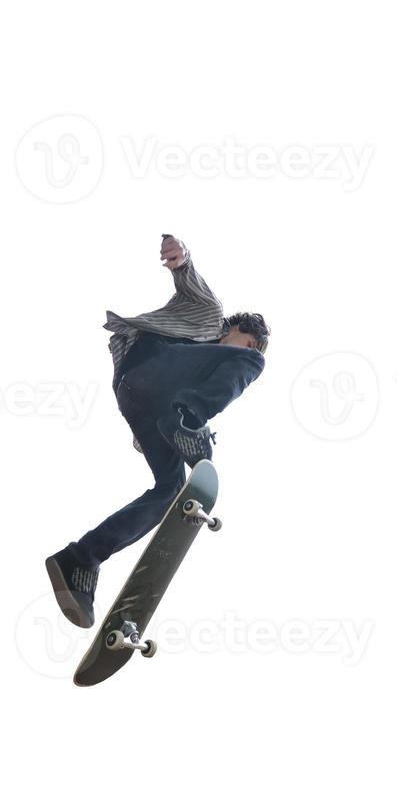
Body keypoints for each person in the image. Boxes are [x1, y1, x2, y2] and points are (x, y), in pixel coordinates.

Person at [45, 234, 270, 628]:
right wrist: (181, 258)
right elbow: (190, 280)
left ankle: (81, 560)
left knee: (171, 489)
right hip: (151, 368)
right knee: (239, 374)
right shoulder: (210, 316)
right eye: (246, 341)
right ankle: (189, 420)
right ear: (233, 328)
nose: (245, 350)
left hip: (140, 402)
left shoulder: (205, 372)